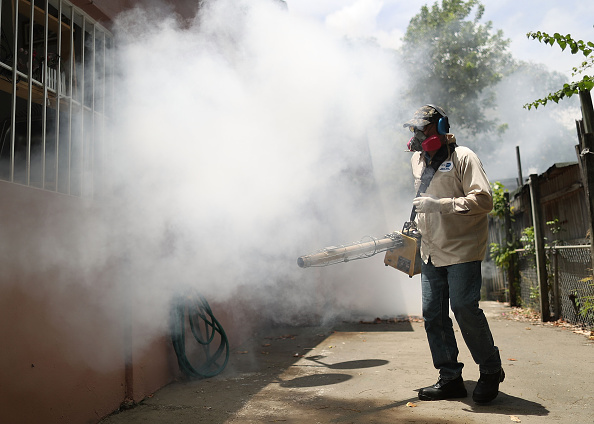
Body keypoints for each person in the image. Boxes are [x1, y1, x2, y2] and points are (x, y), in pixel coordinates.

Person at [402, 104, 504, 404]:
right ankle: (450, 379)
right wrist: (414, 230)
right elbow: (423, 204)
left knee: (463, 309)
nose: (418, 135)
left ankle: (490, 369)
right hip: (431, 252)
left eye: (424, 128)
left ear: (442, 126)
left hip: (462, 250)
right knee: (433, 315)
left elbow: (484, 200)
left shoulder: (464, 157)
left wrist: (442, 204)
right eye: (414, 130)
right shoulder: (417, 162)